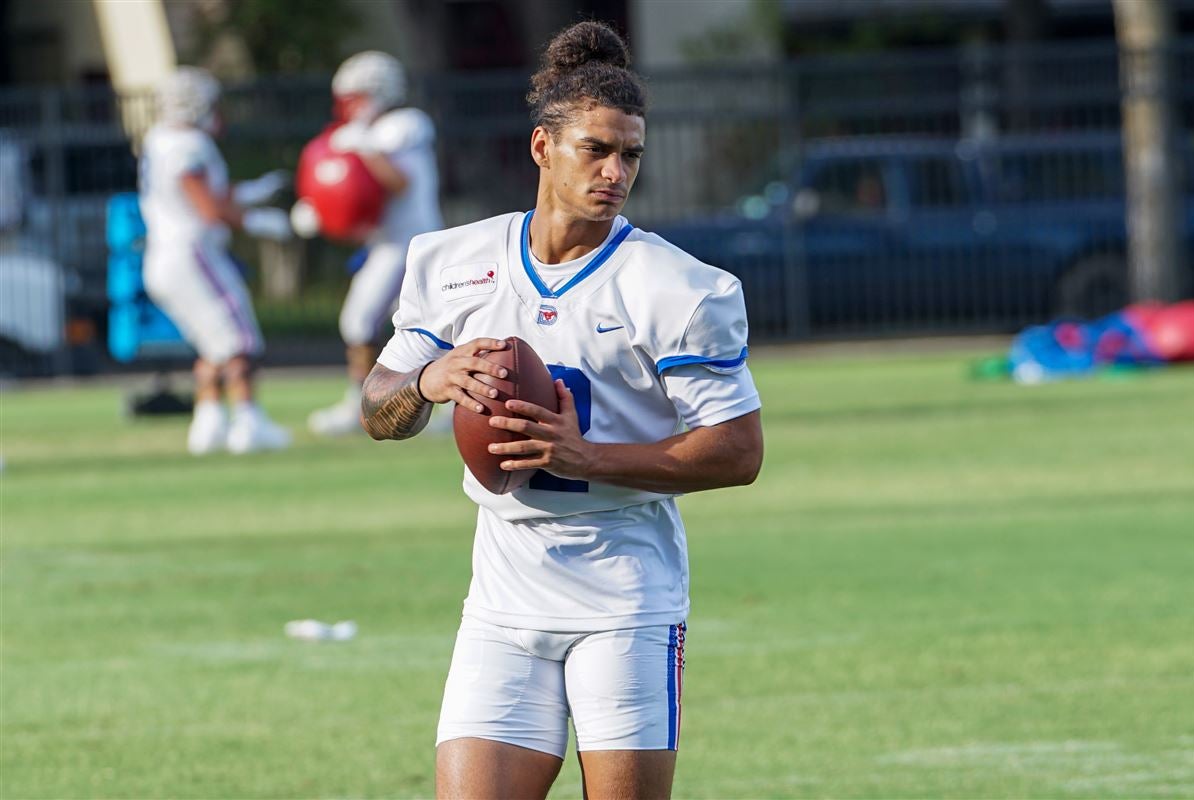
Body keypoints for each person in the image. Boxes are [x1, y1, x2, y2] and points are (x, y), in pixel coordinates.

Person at [361, 21, 763, 799]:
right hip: (502, 600)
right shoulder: (452, 263)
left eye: (631, 156)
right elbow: (377, 410)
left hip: (626, 599)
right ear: (543, 147)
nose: (617, 172)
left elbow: (739, 453)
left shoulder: (679, 288)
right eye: (597, 150)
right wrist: (429, 379)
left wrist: (589, 459)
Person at [139, 66, 294, 455]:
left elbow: (212, 192)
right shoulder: (188, 145)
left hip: (165, 256)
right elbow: (207, 205)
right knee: (240, 340)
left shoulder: (159, 139)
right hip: (192, 254)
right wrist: (260, 223)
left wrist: (256, 192)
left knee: (213, 345)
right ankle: (248, 422)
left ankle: (207, 424)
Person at [305, 51, 445, 436]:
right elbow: (360, 201)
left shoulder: (404, 125)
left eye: (355, 96)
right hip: (389, 241)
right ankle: (373, 401)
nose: (348, 106)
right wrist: (320, 211)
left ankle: (367, 403)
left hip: (410, 244)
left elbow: (398, 184)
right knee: (415, 329)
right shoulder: (368, 133)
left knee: (366, 321)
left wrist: (364, 148)